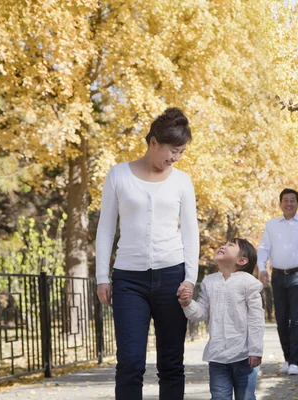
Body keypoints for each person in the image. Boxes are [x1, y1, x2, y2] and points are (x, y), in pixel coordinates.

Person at [95, 108, 200, 400]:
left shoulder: (182, 181)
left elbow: (191, 233)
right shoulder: (118, 175)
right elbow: (105, 228)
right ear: (153, 143)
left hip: (172, 278)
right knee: (129, 363)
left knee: (171, 364)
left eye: (181, 152)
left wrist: (189, 279)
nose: (175, 158)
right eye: (172, 150)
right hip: (129, 281)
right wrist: (102, 276)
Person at [179, 239, 264, 400]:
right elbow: (201, 313)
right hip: (218, 356)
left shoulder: (249, 283)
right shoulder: (209, 282)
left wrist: (256, 349)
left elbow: (256, 318)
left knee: (245, 397)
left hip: (244, 356)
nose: (223, 246)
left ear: (242, 260)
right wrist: (188, 303)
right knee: (219, 397)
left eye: (230, 245)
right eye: (223, 244)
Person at [258, 189, 298, 376]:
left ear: (297, 203)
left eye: (292, 200)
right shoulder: (271, 225)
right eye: (285, 200)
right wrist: (262, 268)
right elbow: (264, 248)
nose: (289, 203)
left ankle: (295, 361)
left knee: (296, 319)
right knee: (281, 319)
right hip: (278, 276)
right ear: (280, 203)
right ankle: (287, 358)